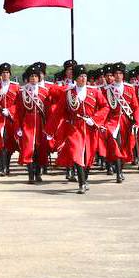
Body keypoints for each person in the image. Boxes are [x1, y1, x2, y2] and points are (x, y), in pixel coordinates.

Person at [46, 65, 107, 194]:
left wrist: (95, 119)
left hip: (90, 128)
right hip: (75, 128)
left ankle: (85, 178)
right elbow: (58, 112)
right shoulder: (68, 93)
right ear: (75, 78)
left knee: (88, 156)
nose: (83, 79)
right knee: (77, 153)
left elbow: (105, 107)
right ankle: (81, 183)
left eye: (85, 76)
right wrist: (50, 131)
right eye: (80, 76)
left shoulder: (95, 92)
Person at [101, 62, 139, 183]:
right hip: (112, 122)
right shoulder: (106, 90)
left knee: (124, 147)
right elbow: (103, 107)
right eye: (116, 73)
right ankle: (118, 172)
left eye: (120, 73)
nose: (118, 76)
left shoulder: (129, 88)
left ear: (123, 75)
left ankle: (120, 169)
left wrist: (136, 121)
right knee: (115, 145)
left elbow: (135, 106)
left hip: (126, 121)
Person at [15, 65, 49, 184]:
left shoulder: (45, 91)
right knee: (29, 148)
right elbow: (18, 111)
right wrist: (18, 126)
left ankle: (38, 172)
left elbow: (48, 110)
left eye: (36, 76)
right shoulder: (22, 92)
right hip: (27, 122)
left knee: (39, 149)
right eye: (31, 76)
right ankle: (30, 174)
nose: (33, 78)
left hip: (41, 123)